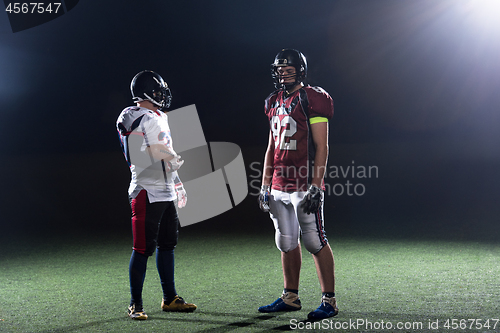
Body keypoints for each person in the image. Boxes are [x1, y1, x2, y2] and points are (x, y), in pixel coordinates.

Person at [258, 49, 338, 320]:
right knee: (286, 241)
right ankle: (290, 296)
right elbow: (271, 147)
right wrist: (265, 184)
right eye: (279, 68)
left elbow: (321, 146)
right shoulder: (273, 101)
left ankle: (329, 301)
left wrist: (316, 185)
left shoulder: (312, 98)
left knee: (315, 240)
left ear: (300, 70)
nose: (283, 72)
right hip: (279, 184)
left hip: (304, 184)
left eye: (288, 68)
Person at [116, 70, 196, 320]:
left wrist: (177, 181)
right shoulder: (134, 115)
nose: (162, 95)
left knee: (168, 244)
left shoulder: (158, 116)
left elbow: (163, 152)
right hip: (146, 189)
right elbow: (144, 151)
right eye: (158, 91)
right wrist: (170, 157)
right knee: (143, 248)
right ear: (146, 93)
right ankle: (135, 304)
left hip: (165, 188)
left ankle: (169, 297)